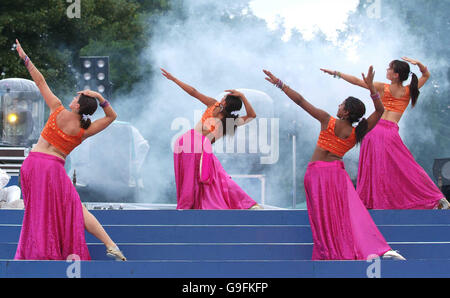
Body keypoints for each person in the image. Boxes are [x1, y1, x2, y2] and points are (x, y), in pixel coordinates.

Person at [263, 67, 404, 260]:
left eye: (341, 105)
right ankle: (372, 249)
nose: (338, 106)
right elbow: (380, 110)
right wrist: (371, 88)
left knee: (323, 217)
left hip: (316, 174)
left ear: (346, 112)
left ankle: (332, 253)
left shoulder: (326, 120)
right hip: (336, 174)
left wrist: (280, 84)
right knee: (343, 215)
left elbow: (301, 101)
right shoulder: (357, 132)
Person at [13, 39, 126, 261]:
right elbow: (112, 117)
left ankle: (40, 252)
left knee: (39, 212)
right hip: (52, 170)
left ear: (77, 105)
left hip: (32, 165)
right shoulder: (84, 130)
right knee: (75, 209)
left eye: (76, 97)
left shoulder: (57, 109)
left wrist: (25, 57)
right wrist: (101, 98)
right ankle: (110, 244)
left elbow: (40, 81)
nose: (72, 98)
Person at [321, 58, 448, 209]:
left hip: (373, 130)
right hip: (388, 133)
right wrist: (419, 64)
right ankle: (434, 198)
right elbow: (426, 75)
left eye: (389, 68)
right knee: (406, 167)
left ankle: (373, 203)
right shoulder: (409, 90)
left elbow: (356, 81)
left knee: (374, 167)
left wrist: (336, 73)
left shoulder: (383, 87)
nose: (387, 70)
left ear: (396, 75)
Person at [161, 68, 262, 210]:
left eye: (224, 99)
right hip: (196, 144)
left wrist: (174, 79)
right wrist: (243, 96)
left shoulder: (216, 107)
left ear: (225, 103)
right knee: (216, 177)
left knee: (206, 177)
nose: (221, 99)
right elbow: (252, 115)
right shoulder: (230, 121)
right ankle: (245, 204)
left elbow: (194, 92)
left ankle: (189, 206)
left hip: (191, 143)